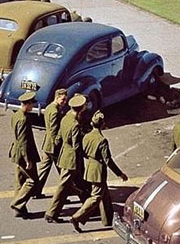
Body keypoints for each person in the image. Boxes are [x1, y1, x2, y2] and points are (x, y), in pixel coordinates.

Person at [71, 110, 128, 231]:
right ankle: (77, 217)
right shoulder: (102, 140)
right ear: (102, 124)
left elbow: (83, 152)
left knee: (105, 195)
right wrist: (120, 174)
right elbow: (108, 160)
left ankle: (108, 219)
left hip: (90, 167)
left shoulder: (87, 136)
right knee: (96, 197)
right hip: (98, 171)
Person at [44, 92, 87, 221]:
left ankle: (89, 205)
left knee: (80, 182)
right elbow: (76, 145)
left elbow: (59, 137)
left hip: (65, 155)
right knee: (63, 186)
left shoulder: (66, 118)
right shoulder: (75, 124)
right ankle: (51, 213)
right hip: (71, 159)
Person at [9, 90, 40, 217]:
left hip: (16, 152)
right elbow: (23, 141)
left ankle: (20, 209)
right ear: (27, 104)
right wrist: (28, 159)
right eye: (32, 104)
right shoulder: (23, 119)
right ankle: (17, 203)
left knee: (20, 182)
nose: (33, 106)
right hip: (23, 154)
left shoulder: (16, 115)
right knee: (32, 181)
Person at [35, 86, 68, 195]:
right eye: (62, 99)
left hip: (47, 144)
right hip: (53, 145)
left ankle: (36, 190)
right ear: (57, 98)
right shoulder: (54, 111)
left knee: (43, 169)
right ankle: (63, 193)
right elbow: (54, 130)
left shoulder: (49, 108)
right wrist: (58, 143)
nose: (64, 102)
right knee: (63, 170)